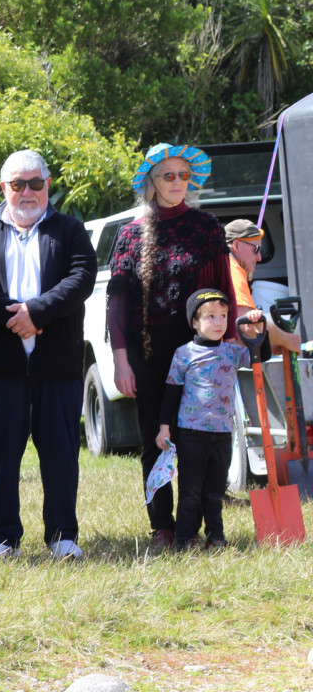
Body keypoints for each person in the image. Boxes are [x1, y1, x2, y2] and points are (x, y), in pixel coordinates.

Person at [0, 150, 97, 561]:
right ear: (4, 189)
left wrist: (37, 313)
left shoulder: (69, 229)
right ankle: (2, 537)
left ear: (47, 186)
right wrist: (12, 318)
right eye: (17, 184)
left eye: (36, 183)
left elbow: (81, 277)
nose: (27, 191)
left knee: (60, 454)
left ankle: (62, 535)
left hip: (58, 366)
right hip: (1, 367)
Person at [106, 143, 236, 549]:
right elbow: (118, 305)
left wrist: (229, 345)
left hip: (201, 353)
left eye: (183, 175)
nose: (177, 182)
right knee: (154, 440)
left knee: (197, 441)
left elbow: (224, 290)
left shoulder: (207, 227)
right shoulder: (130, 234)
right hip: (149, 354)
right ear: (152, 181)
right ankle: (161, 524)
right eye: (168, 175)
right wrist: (121, 361)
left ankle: (194, 526)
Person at [155, 290, 267, 551]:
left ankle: (216, 536)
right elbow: (171, 393)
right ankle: (185, 538)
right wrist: (164, 427)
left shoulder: (232, 352)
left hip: (223, 433)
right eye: (210, 316)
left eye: (224, 316)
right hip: (191, 434)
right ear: (195, 322)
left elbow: (260, 356)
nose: (218, 322)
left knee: (214, 491)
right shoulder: (184, 354)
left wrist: (259, 329)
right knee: (190, 490)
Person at [224, 219, 303, 354]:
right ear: (237, 245)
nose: (260, 257)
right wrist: (289, 340)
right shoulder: (233, 269)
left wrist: (272, 347)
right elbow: (247, 322)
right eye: (256, 249)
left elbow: (241, 332)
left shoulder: (225, 265)